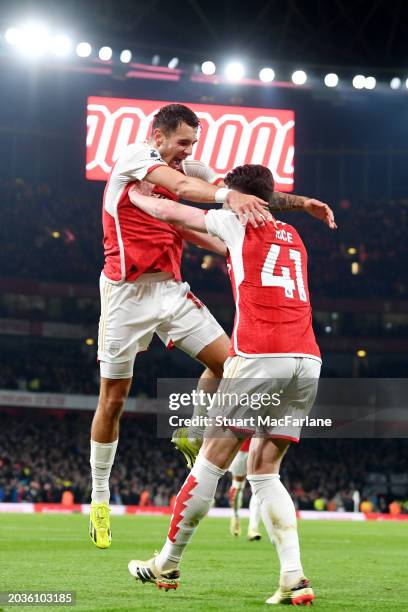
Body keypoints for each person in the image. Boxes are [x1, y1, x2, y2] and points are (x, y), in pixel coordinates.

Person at [89, 102, 335, 550]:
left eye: (192, 145)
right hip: (124, 294)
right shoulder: (133, 159)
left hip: (171, 290)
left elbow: (241, 191)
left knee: (232, 364)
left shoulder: (189, 164)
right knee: (114, 398)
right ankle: (100, 500)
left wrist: (300, 203)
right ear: (157, 136)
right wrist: (225, 198)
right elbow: (185, 187)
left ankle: (194, 432)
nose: (187, 152)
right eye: (181, 143)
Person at [127, 164, 330, 605]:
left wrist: (133, 194)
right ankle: (293, 577)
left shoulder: (233, 220)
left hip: (260, 355)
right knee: (264, 470)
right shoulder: (294, 237)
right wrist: (299, 202)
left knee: (210, 461)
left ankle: (167, 562)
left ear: (237, 196)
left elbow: (175, 212)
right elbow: (234, 227)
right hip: (307, 360)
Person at [228, 438, 262, 540]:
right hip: (239, 448)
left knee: (257, 488)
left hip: (258, 447)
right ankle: (235, 516)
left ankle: (253, 528)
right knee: (237, 486)